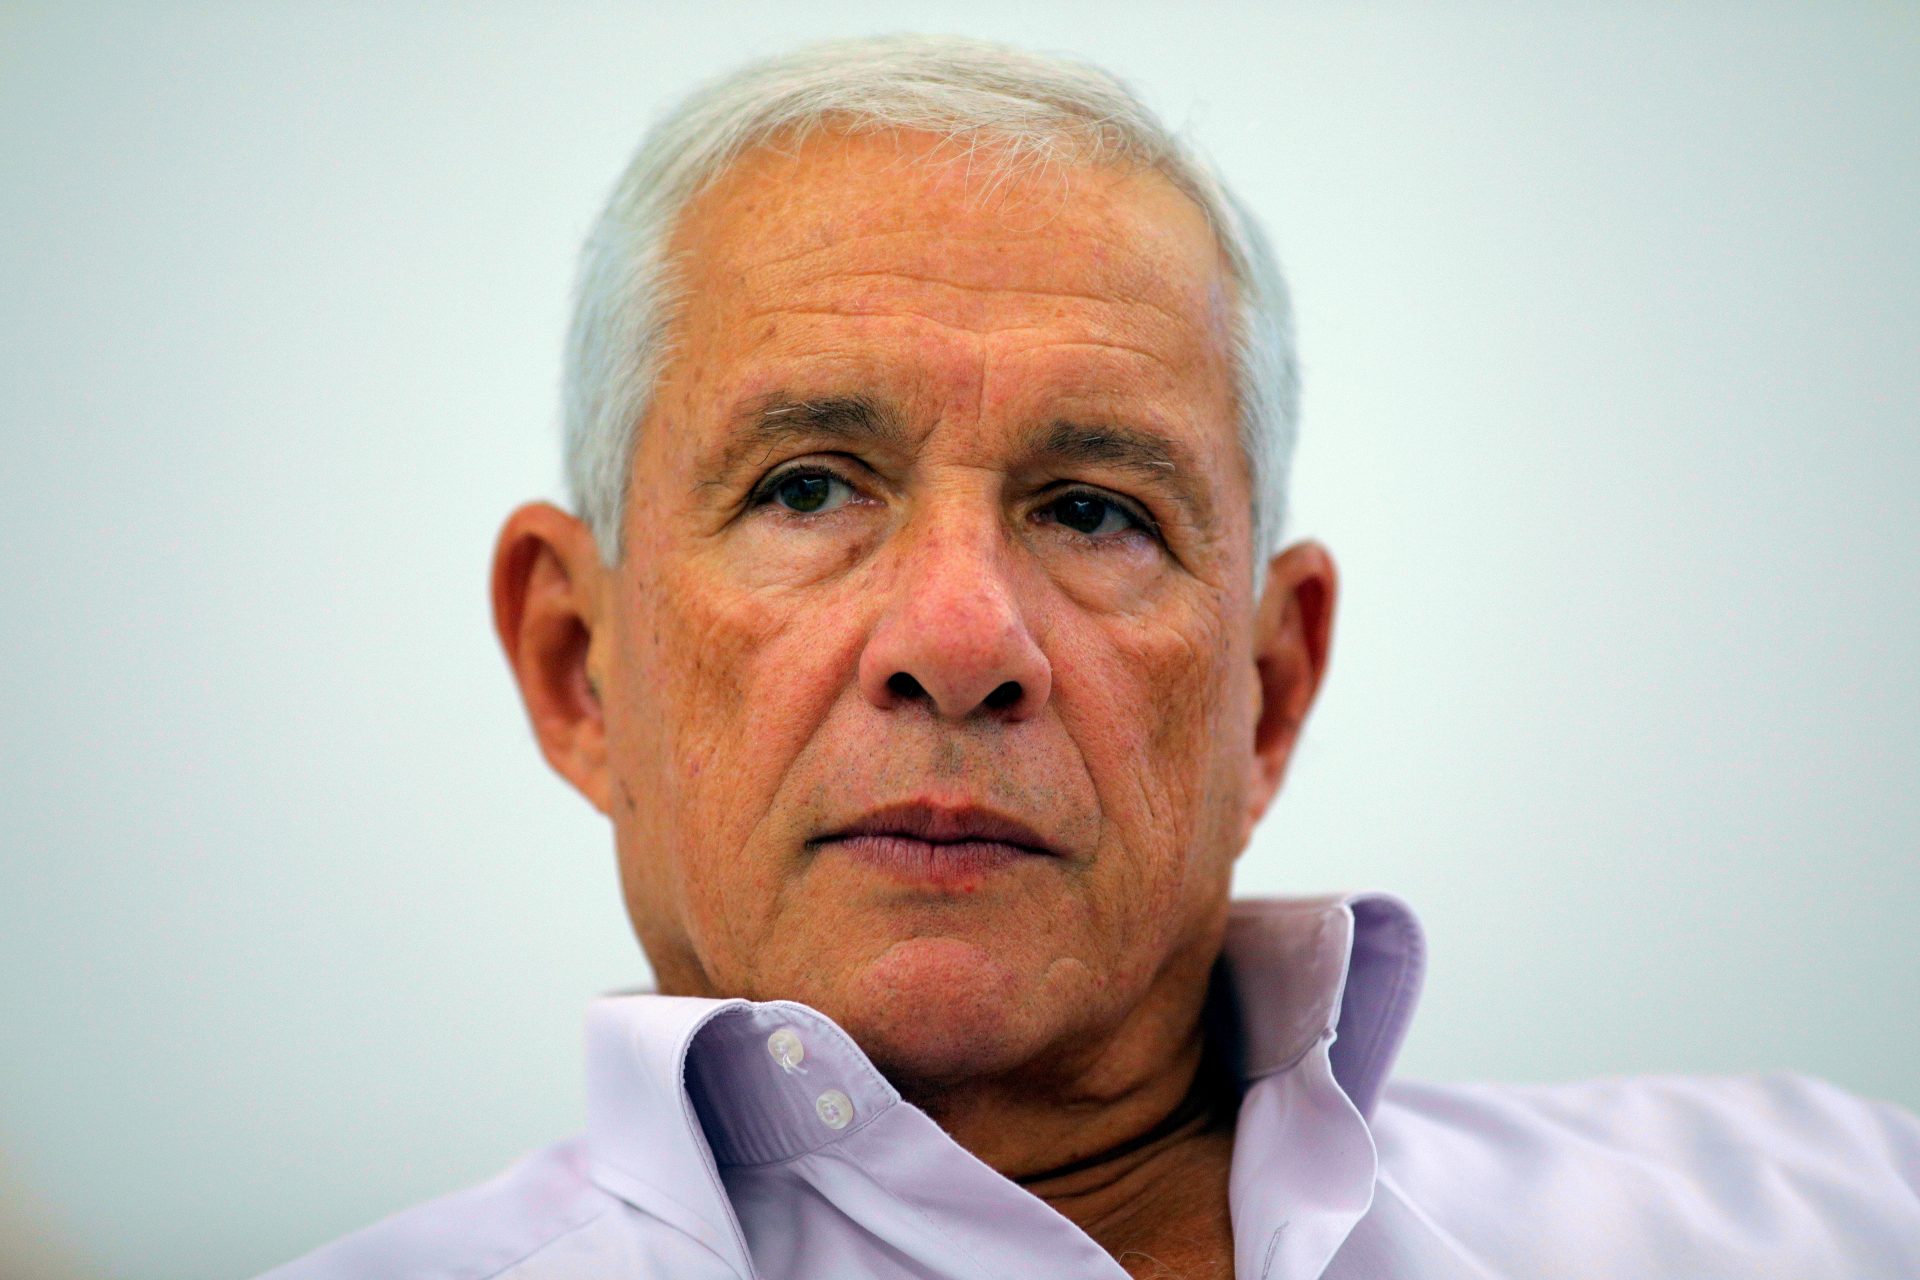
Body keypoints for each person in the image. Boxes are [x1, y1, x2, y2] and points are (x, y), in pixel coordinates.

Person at [261, 34, 1920, 1280]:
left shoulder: (1832, 1213)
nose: (960, 642)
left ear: (1269, 694)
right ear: (577, 666)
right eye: (808, 488)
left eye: (1094, 510)